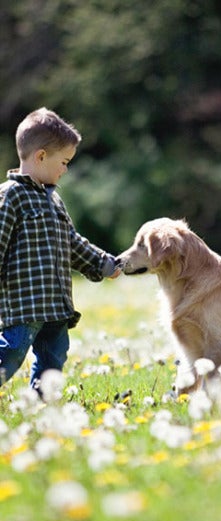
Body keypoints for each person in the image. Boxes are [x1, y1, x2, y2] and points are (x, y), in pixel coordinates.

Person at [0, 107, 121, 391]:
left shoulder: (54, 201)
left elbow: (72, 243)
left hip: (56, 304)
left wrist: (103, 263)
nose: (66, 169)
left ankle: (42, 403)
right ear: (41, 156)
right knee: (11, 353)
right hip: (24, 305)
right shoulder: (10, 196)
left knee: (54, 358)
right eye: (64, 162)